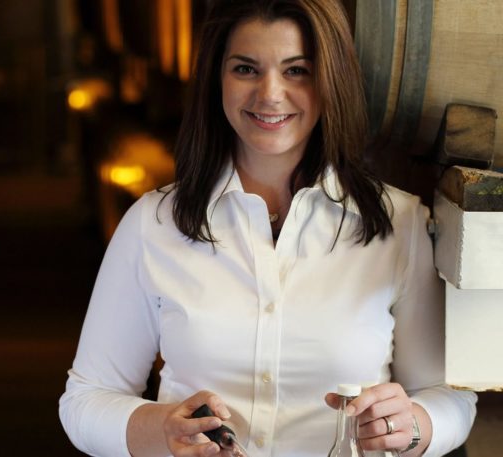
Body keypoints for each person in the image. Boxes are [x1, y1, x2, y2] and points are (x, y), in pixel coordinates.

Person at [59, 1, 477, 456]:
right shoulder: (154, 222)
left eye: (296, 70)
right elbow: (85, 400)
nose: (270, 93)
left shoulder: (399, 224)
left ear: (329, 80)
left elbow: (448, 395)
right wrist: (160, 430)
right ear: (218, 78)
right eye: (246, 69)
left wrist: (413, 426)